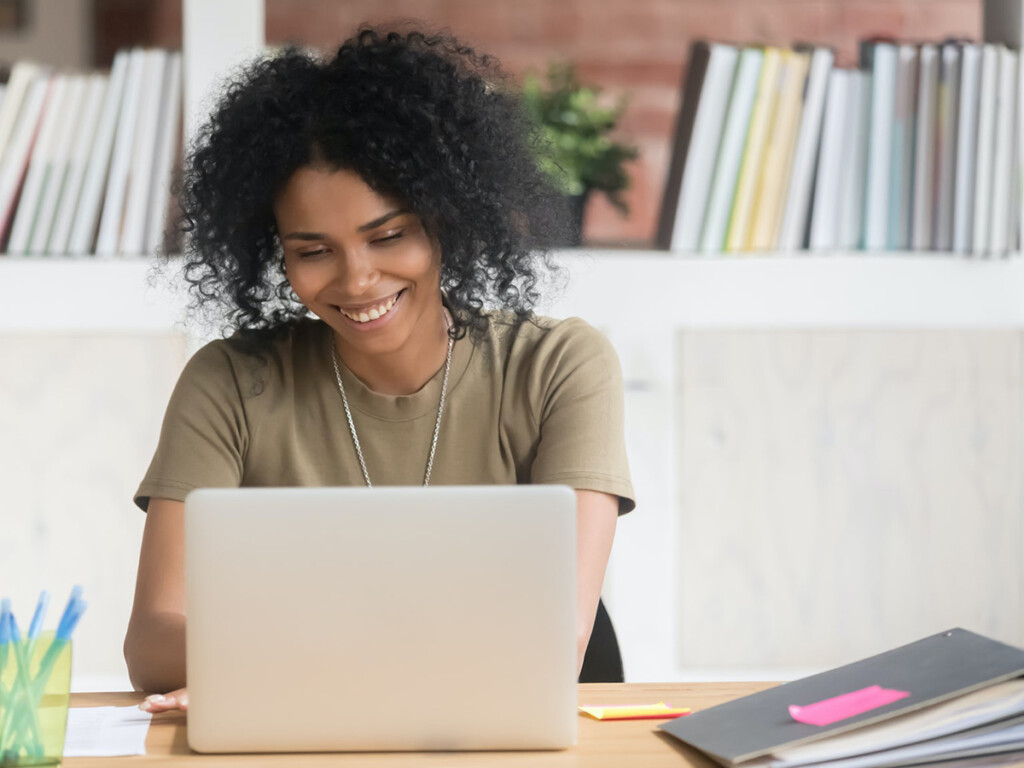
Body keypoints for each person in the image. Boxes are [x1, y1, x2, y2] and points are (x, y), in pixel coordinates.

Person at [124, 26, 635, 714]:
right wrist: (345, 674)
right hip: (306, 737)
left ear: (446, 220)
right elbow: (153, 645)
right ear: (276, 253)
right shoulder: (231, 384)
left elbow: (557, 639)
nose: (358, 280)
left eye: (388, 235)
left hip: (508, 731)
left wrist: (278, 666)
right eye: (313, 250)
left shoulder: (558, 367)